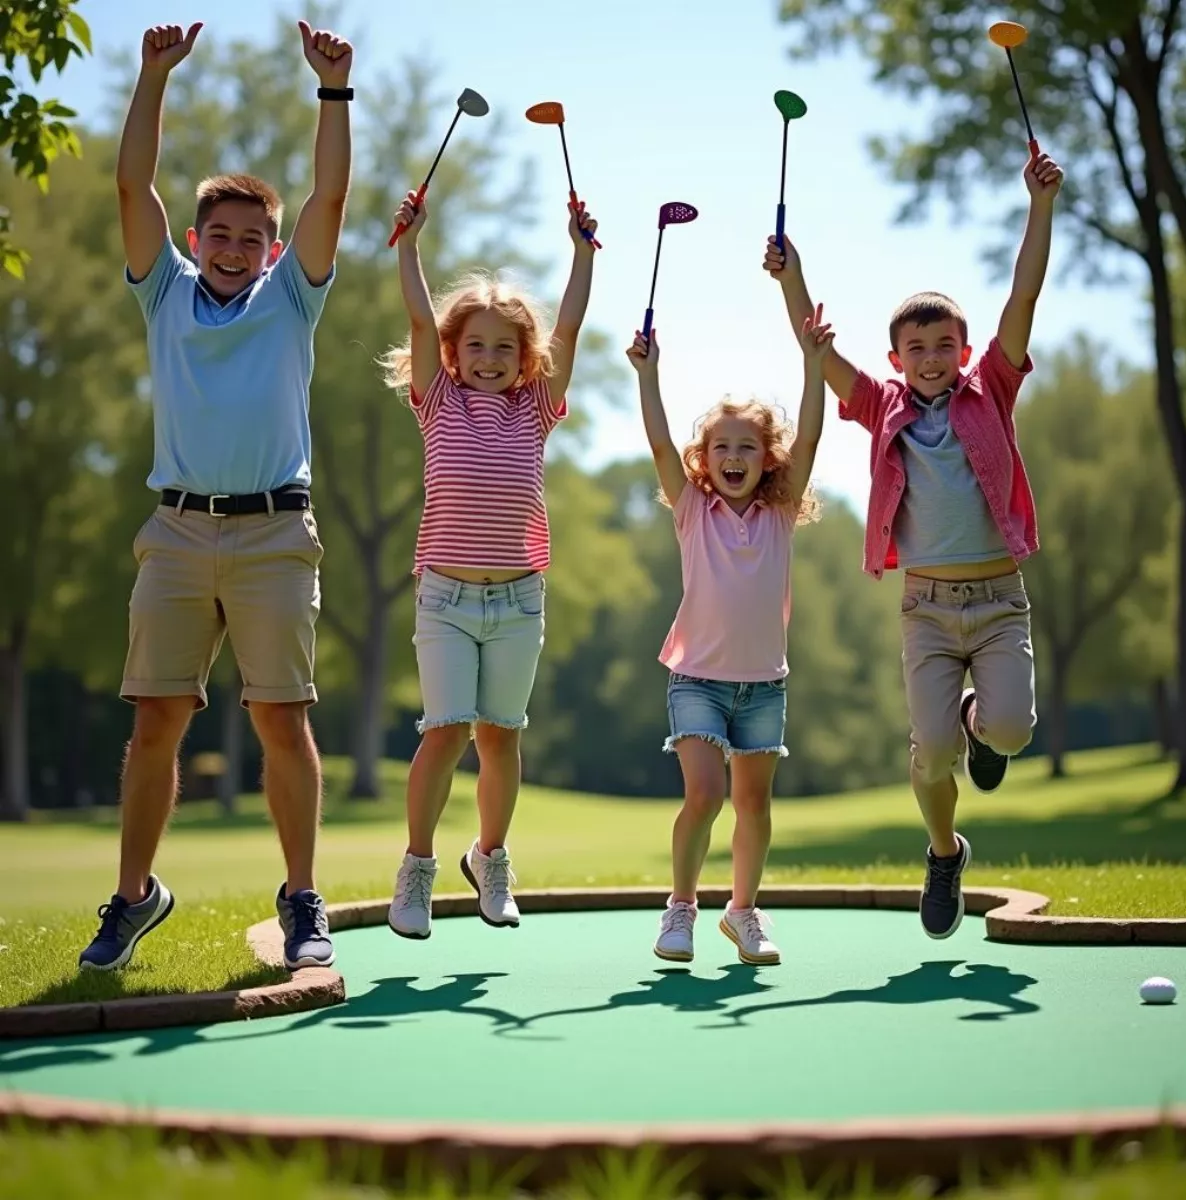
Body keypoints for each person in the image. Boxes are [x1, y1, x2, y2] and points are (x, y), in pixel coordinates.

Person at [78, 20, 353, 973]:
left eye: (252, 239)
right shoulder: (165, 293)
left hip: (277, 533)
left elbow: (331, 194)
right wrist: (151, 74)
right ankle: (132, 897)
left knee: (283, 719)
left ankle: (302, 900)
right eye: (221, 236)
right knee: (155, 720)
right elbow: (131, 186)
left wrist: (333, 93)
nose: (235, 249)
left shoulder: (293, 298)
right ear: (198, 241)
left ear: (273, 252)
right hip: (177, 533)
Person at [766, 151, 1065, 939]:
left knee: (1011, 733)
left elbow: (1024, 295)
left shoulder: (992, 388)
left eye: (944, 346)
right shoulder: (881, 404)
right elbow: (817, 350)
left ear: (964, 354)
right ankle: (944, 853)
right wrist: (790, 276)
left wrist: (1039, 207)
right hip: (926, 608)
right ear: (898, 358)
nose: (931, 359)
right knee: (931, 753)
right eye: (916, 349)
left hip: (998, 601)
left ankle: (981, 720)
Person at [380, 193, 599, 940]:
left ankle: (492, 857)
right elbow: (415, 318)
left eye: (506, 348)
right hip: (444, 598)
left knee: (499, 736)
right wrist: (408, 245)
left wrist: (581, 253)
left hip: (518, 600)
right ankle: (415, 869)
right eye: (476, 346)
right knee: (444, 731)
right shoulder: (437, 400)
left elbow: (568, 329)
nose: (490, 359)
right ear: (452, 353)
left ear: (525, 359)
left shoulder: (534, 408)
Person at [625, 302, 831, 966]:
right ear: (703, 460)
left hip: (764, 685)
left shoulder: (779, 514)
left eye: (748, 447)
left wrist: (814, 364)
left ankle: (742, 913)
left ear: (766, 459)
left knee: (754, 805)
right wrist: (648, 377)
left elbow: (811, 441)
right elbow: (658, 444)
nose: (734, 457)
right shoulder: (692, 510)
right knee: (706, 794)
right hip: (698, 681)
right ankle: (681, 909)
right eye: (722, 447)